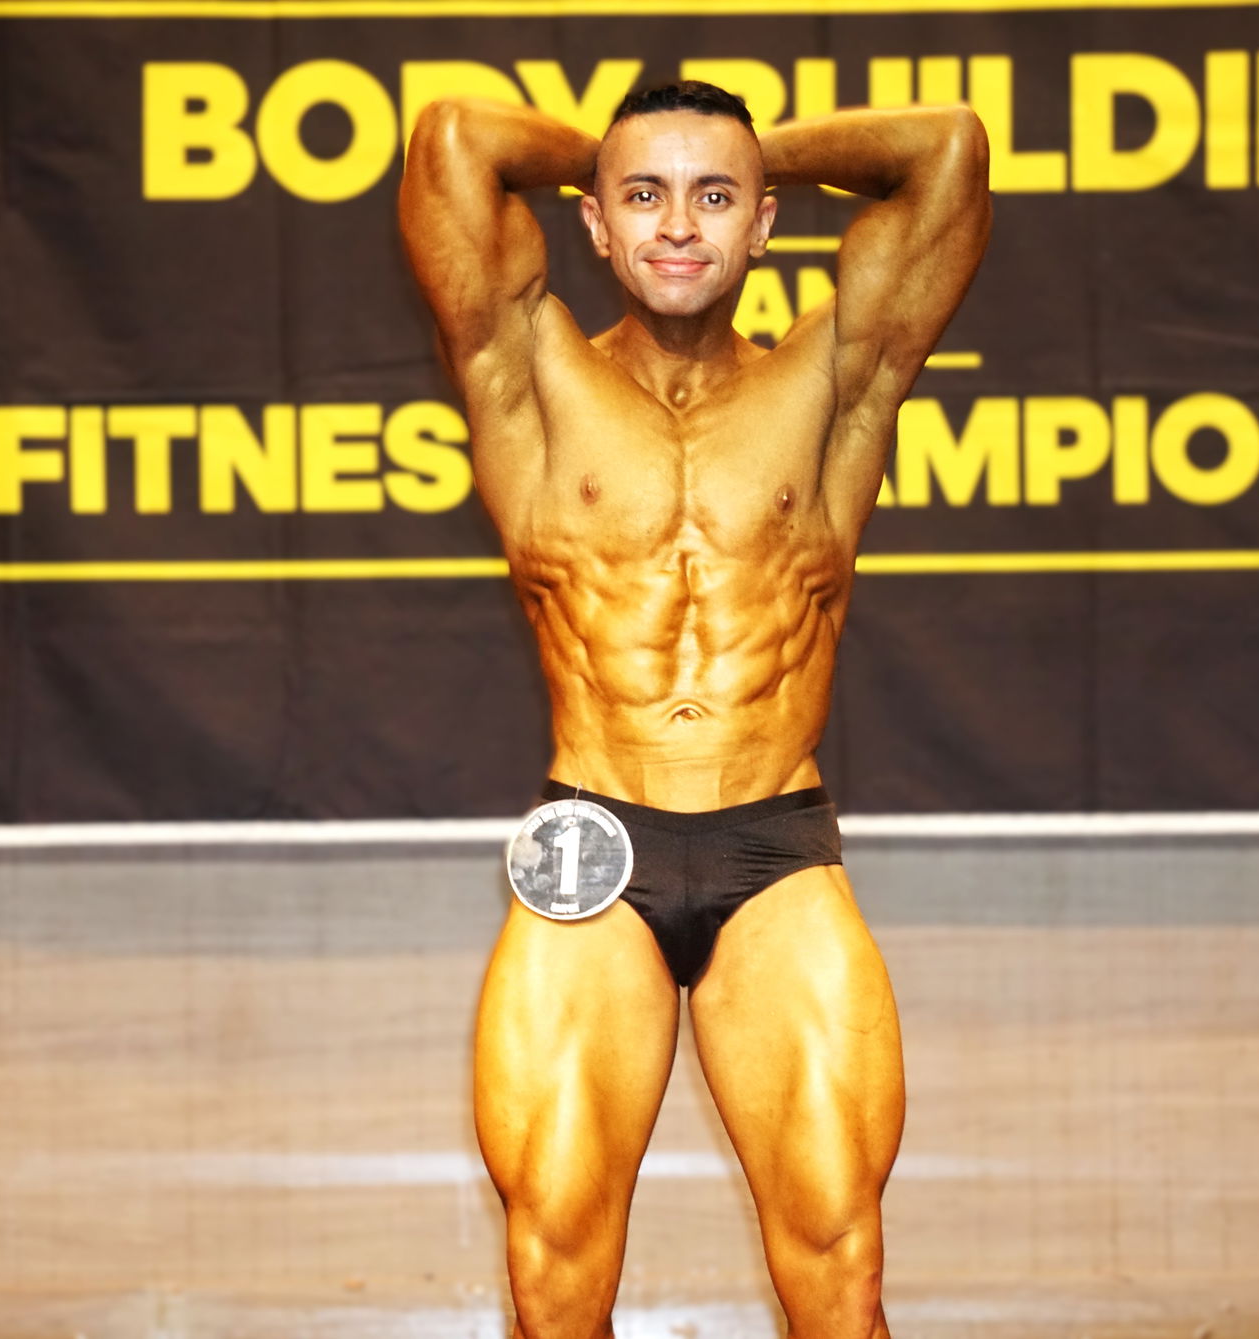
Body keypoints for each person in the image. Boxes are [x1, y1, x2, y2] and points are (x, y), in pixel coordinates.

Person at [399, 79, 989, 1339]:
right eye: (645, 198)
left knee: (840, 1267)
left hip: (772, 850)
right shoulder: (528, 368)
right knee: (554, 1276)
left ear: (766, 223)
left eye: (715, 198)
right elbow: (456, 139)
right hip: (592, 853)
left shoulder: (835, 379)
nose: (679, 224)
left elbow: (945, 151)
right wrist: (619, 153)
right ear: (597, 227)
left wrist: (734, 145)